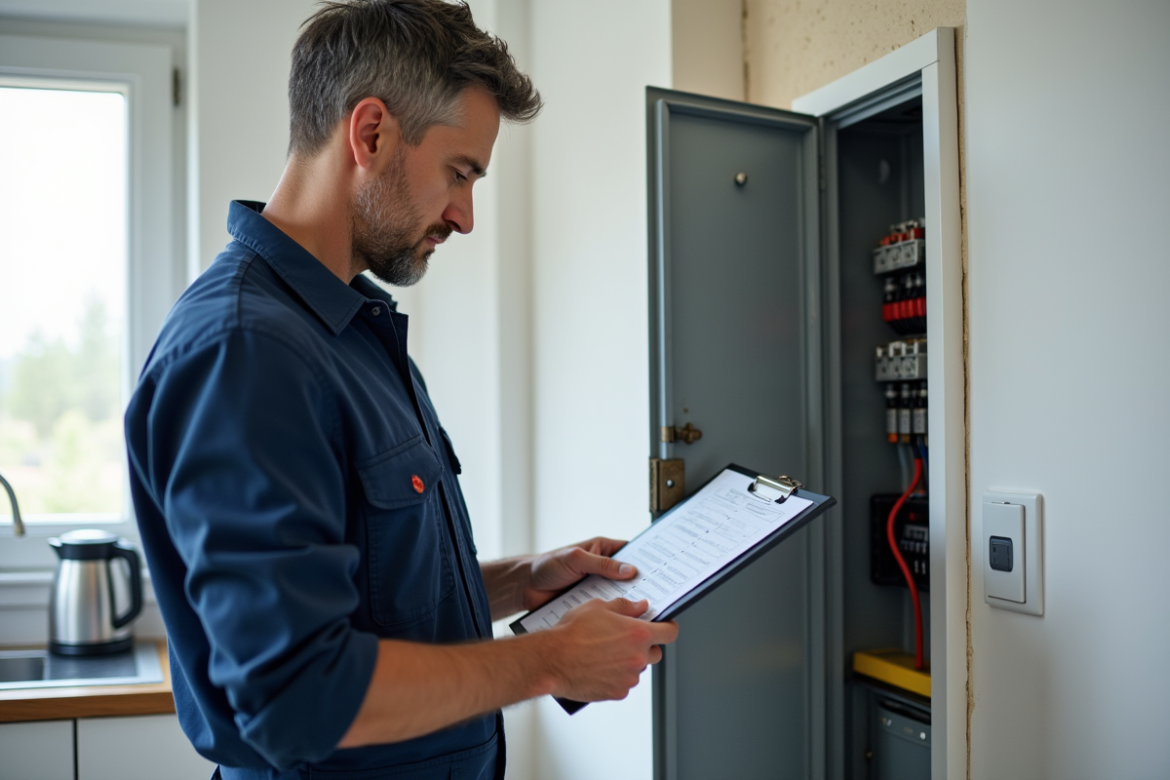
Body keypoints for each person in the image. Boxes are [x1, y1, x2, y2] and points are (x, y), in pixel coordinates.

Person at [124, 2, 679, 778]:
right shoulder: (248, 350)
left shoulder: (356, 330)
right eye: (460, 173)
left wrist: (527, 580)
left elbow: (374, 599)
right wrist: (550, 662)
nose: (465, 215)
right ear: (371, 133)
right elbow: (295, 692)